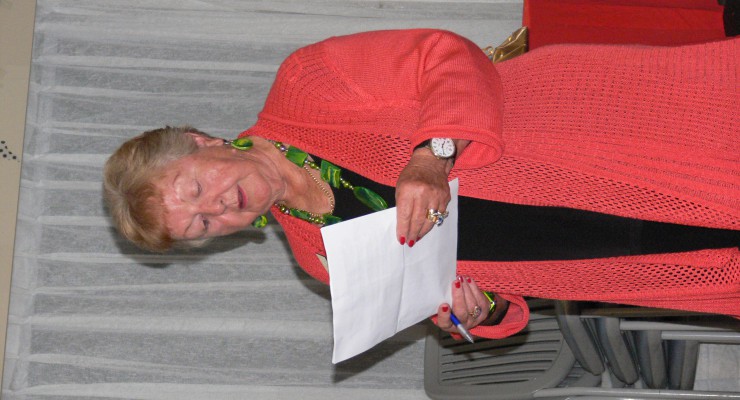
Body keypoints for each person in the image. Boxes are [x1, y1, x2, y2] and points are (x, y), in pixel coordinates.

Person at [104, 29, 739, 340]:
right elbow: (498, 301)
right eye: (203, 225)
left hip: (604, 135)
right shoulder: (320, 260)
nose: (218, 208)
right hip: (610, 258)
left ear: (200, 141)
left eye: (195, 190)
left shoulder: (307, 85)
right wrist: (476, 313)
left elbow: (446, 56)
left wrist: (432, 157)